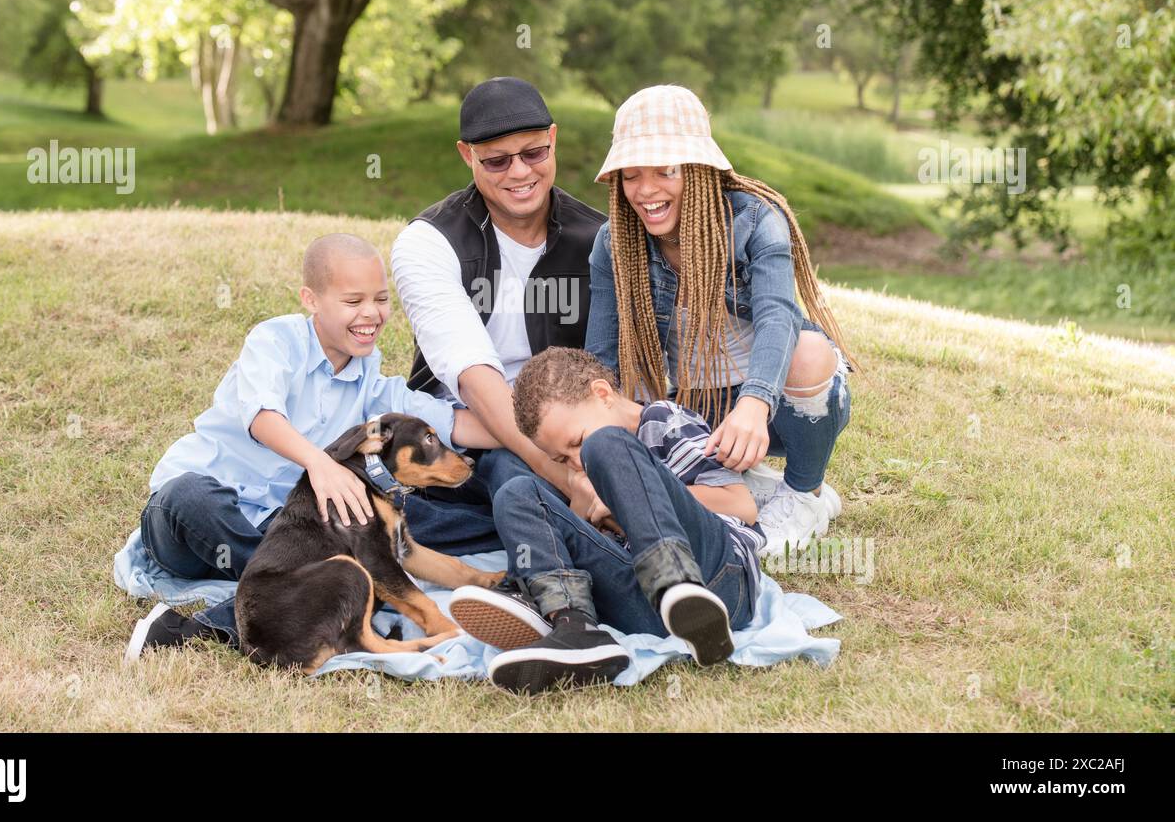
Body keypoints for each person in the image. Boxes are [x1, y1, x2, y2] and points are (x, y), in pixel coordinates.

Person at [123, 233, 496, 661]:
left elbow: (455, 425)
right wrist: (320, 463)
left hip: (278, 537)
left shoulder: (371, 384)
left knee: (400, 525)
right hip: (188, 525)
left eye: (380, 299)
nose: (371, 314)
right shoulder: (275, 342)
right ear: (311, 299)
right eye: (353, 301)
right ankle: (349, 600)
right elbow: (263, 417)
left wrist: (538, 437)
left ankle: (245, 621)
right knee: (191, 494)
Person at [585, 85, 856, 555]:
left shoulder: (755, 220)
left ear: (699, 170)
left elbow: (778, 316)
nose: (646, 190)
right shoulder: (615, 243)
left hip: (769, 408)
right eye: (632, 174)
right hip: (690, 409)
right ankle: (749, 484)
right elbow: (603, 360)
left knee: (810, 352)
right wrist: (598, 445)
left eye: (666, 170)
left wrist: (754, 403)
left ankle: (803, 495)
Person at [450, 347, 767, 694]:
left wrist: (626, 495)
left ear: (602, 394)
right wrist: (584, 513)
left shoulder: (663, 422)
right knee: (516, 493)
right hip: (640, 605)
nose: (576, 463)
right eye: (561, 458)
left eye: (576, 443)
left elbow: (742, 505)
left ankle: (679, 588)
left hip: (716, 583)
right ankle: (575, 628)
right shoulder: (584, 475)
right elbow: (570, 541)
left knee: (604, 444)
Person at [390, 76, 606, 557]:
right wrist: (563, 477)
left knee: (513, 496)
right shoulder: (428, 242)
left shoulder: (598, 241)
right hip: (464, 426)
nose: (519, 173)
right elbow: (476, 379)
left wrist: (592, 459)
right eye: (496, 161)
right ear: (467, 156)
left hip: (572, 429)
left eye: (533, 153)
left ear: (553, 139)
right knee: (514, 481)